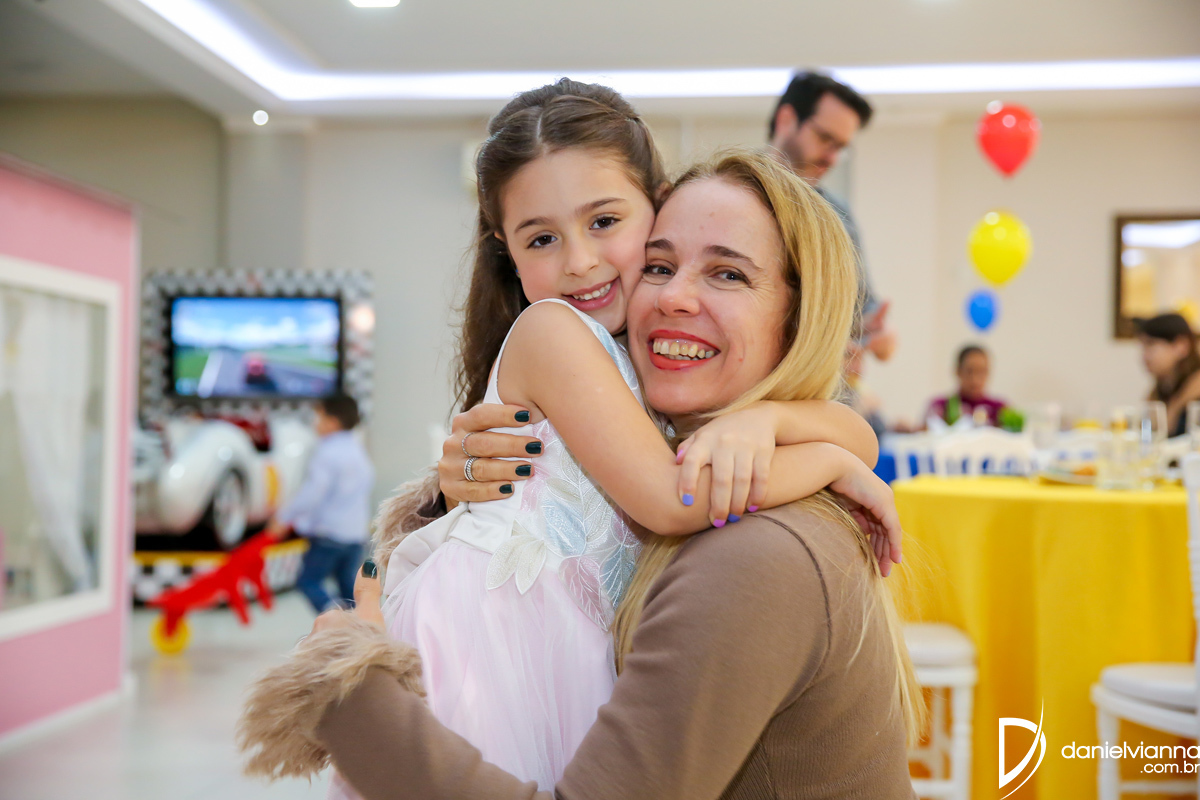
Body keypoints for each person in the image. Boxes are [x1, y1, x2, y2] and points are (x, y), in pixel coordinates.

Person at [240, 149, 921, 799]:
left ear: (802, 318)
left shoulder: (754, 552)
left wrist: (350, 692)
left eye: (728, 274)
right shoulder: (634, 406)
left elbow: (679, 497)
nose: (675, 297)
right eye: (659, 265)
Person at [768, 70, 896, 362]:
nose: (832, 158)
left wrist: (875, 330)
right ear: (786, 119)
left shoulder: (839, 216)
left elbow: (861, 307)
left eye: (841, 147)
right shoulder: (729, 194)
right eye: (825, 138)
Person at [265, 395, 375, 614]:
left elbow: (312, 493)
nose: (314, 422)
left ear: (332, 422)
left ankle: (335, 619)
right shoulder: (358, 451)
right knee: (348, 587)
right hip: (355, 535)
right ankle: (359, 626)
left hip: (329, 534)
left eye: (318, 416)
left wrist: (284, 517)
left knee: (308, 581)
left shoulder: (327, 452)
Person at [1138, 312, 1200, 436]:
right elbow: (1148, 433)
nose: (1144, 356)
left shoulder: (1195, 391)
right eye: (1143, 346)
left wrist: (1177, 405)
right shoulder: (1163, 386)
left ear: (1181, 345)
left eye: (1151, 344)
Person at [924, 344, 1011, 428]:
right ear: (958, 371)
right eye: (969, 371)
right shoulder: (940, 406)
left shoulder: (999, 409)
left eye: (981, 371)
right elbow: (924, 432)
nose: (975, 379)